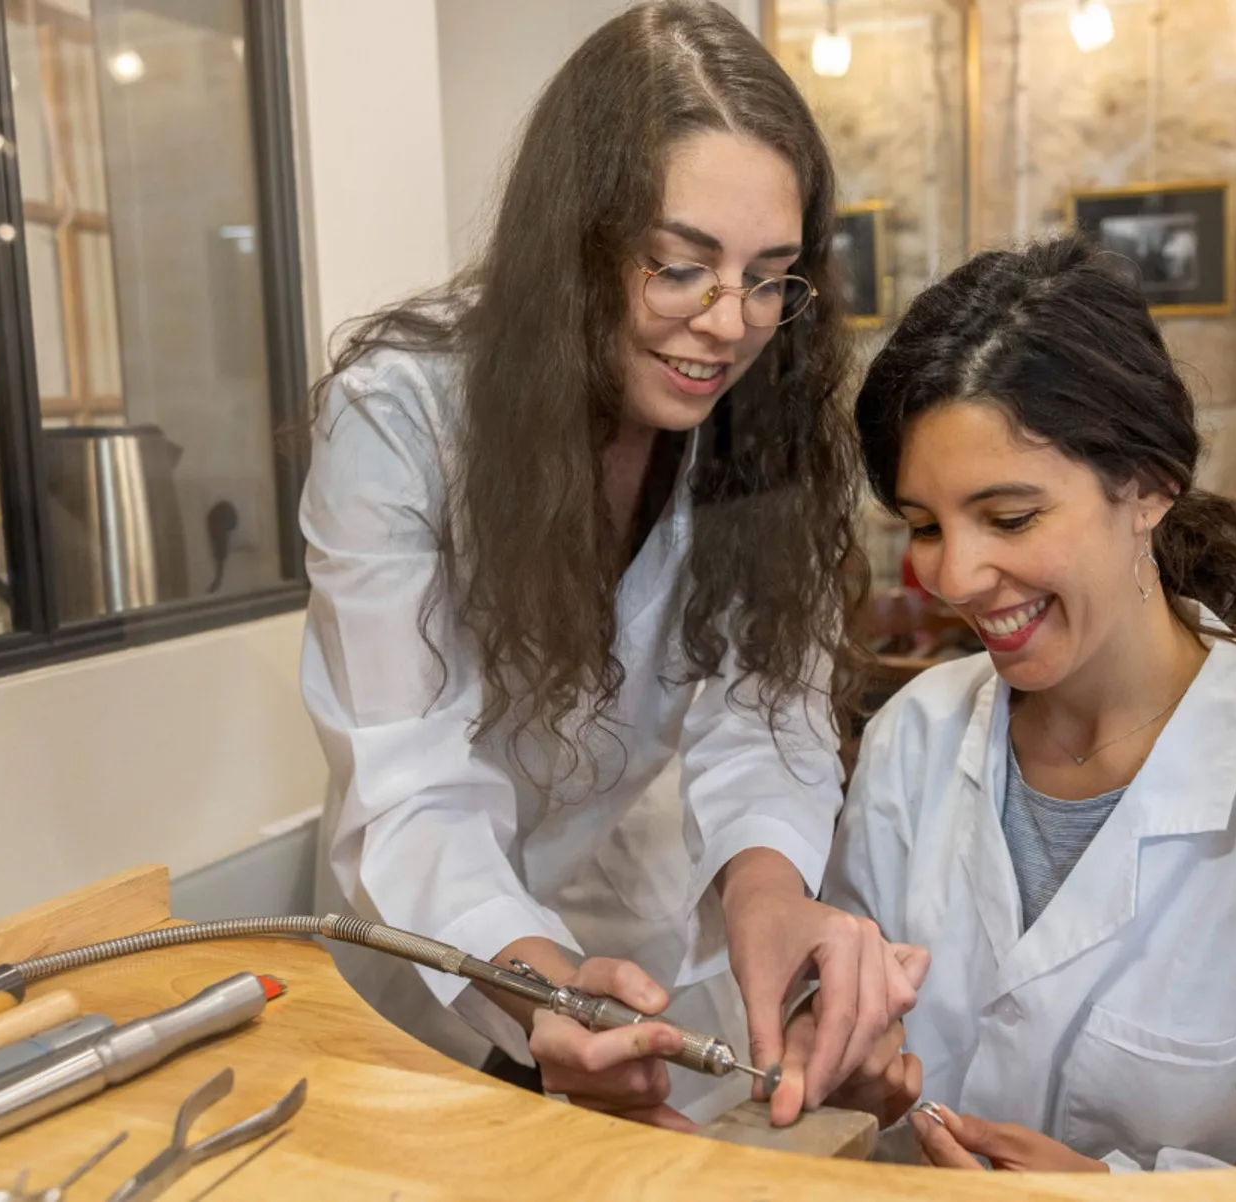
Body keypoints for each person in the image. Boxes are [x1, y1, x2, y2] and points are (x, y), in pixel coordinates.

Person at [299, 1, 919, 1131]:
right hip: (428, 965)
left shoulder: (755, 415)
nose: (730, 324)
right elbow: (411, 784)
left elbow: (762, 704)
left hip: (622, 937)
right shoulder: (400, 418)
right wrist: (534, 976)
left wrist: (770, 891)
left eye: (770, 276)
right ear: (572, 242)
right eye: (682, 267)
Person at [812, 234, 1236, 1170]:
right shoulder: (914, 742)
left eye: (1010, 518)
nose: (956, 575)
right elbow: (850, 1021)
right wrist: (848, 1074)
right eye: (926, 527)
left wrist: (1122, 1195)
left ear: (1145, 487)